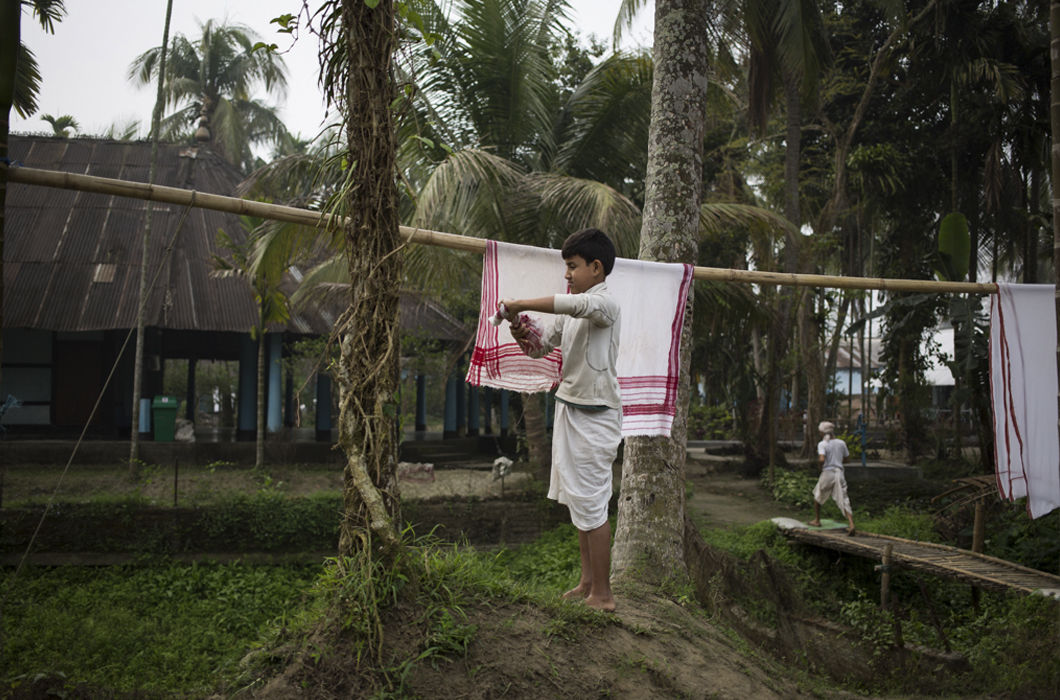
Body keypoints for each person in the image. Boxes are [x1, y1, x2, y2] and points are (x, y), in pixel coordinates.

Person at [500, 228, 621, 612]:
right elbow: (539, 348)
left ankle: (603, 594)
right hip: (570, 408)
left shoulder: (604, 304)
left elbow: (576, 308)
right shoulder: (574, 307)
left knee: (593, 503)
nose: (567, 274)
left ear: (596, 268)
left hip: (597, 416)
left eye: (572, 266)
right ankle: (587, 582)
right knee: (578, 502)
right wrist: (521, 330)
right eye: (566, 267)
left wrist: (519, 302)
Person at [808, 420, 856, 536]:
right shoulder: (841, 443)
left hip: (828, 472)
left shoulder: (822, 444)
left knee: (818, 495)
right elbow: (847, 459)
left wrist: (820, 466)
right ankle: (851, 524)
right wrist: (838, 461)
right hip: (839, 473)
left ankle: (817, 520)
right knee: (844, 498)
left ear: (822, 433)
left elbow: (821, 459)